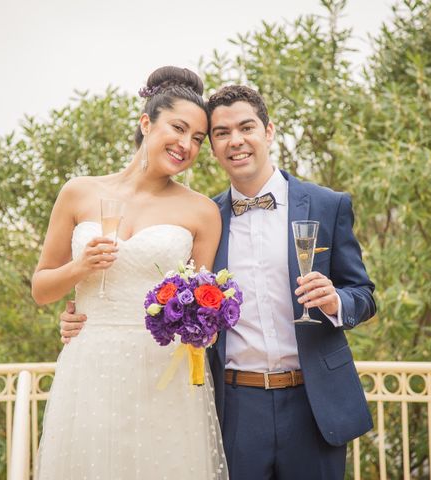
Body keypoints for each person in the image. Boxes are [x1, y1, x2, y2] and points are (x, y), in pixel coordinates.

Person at [61, 85, 376, 479]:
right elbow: (157, 288)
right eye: (221, 133)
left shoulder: (327, 205)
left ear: (269, 131)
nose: (236, 141)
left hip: (313, 404)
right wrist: (82, 314)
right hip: (235, 407)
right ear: (211, 147)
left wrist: (336, 302)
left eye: (246, 127)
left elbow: (363, 294)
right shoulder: (204, 217)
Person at [32, 66, 228, 479]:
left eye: (197, 139)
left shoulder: (202, 212)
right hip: (90, 366)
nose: (186, 145)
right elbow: (41, 289)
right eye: (178, 128)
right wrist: (80, 267)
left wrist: (202, 322)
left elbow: (205, 305)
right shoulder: (79, 192)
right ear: (146, 122)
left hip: (164, 374)